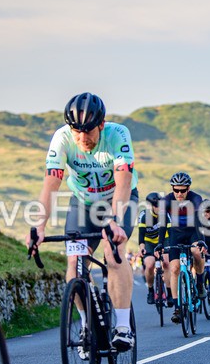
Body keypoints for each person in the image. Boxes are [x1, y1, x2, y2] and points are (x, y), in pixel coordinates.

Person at [28, 92, 138, 350]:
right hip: (84, 204)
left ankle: (123, 328)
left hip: (120, 200)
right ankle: (87, 324)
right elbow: (51, 184)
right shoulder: (62, 139)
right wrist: (39, 226)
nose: (82, 138)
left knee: (114, 252)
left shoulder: (118, 135)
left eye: (88, 131)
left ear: (101, 125)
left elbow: (123, 181)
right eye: (76, 131)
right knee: (75, 265)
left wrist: (115, 220)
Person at [156, 172, 206, 324]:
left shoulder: (196, 199)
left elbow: (198, 221)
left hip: (193, 232)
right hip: (175, 234)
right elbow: (163, 223)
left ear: (188, 189)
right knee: (175, 269)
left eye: (182, 190)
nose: (179, 193)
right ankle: (177, 307)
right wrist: (159, 243)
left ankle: (199, 284)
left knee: (197, 253)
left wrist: (201, 241)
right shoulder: (166, 200)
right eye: (176, 190)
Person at [137, 192, 171, 305]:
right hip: (149, 242)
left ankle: (170, 293)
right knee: (150, 264)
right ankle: (151, 291)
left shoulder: (165, 215)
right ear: (151, 206)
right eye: (156, 206)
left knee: (166, 263)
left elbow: (170, 233)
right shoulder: (144, 216)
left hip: (164, 240)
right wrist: (142, 247)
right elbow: (141, 236)